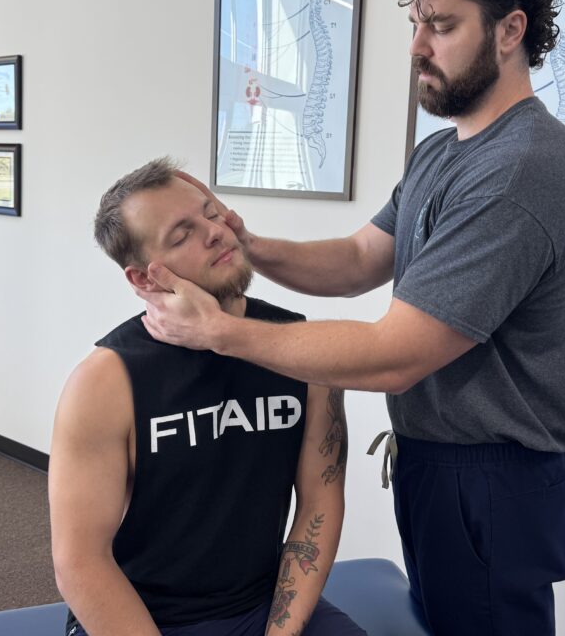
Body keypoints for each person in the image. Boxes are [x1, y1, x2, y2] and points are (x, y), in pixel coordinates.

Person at [141, 0, 565, 636]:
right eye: (416, 23)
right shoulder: (445, 152)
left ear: (510, 31)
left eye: (442, 27)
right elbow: (362, 257)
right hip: (437, 464)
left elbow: (396, 354)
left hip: (489, 479)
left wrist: (222, 333)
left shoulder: (524, 170)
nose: (417, 46)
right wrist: (250, 246)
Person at [48, 158, 365, 636]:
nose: (215, 233)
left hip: (265, 603)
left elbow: (320, 503)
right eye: (182, 236)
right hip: (144, 619)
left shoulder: (300, 351)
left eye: (211, 215)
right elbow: (80, 562)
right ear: (142, 279)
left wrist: (281, 632)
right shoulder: (104, 381)